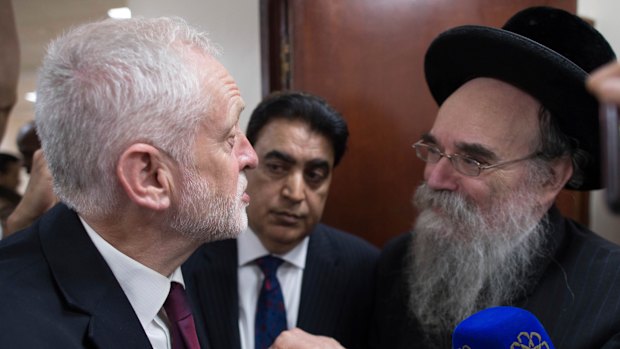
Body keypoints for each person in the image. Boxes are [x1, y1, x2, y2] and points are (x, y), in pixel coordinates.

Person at [0, 16, 258, 348]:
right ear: (148, 177)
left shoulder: (188, 255)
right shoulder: (17, 331)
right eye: (229, 137)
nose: (250, 156)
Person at [370, 6, 620, 349]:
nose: (435, 178)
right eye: (432, 149)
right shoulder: (396, 263)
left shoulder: (612, 296)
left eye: (472, 160)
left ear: (549, 178)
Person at [183, 91, 379, 349]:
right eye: (277, 167)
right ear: (246, 163)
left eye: (315, 175)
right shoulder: (188, 257)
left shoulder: (365, 270)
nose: (295, 193)